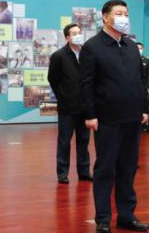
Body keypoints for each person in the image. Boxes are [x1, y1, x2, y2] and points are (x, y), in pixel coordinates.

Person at [80, 0, 149, 233]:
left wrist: (144, 108)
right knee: (105, 169)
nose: (124, 17)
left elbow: (141, 82)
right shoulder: (92, 47)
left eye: (126, 13)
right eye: (119, 13)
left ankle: (127, 215)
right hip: (107, 118)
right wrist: (90, 115)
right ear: (106, 18)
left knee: (128, 168)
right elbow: (86, 84)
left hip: (132, 117)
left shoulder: (131, 46)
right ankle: (102, 218)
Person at [48, 23, 92, 184]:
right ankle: (62, 173)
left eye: (79, 32)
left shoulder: (87, 54)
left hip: (85, 107)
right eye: (74, 33)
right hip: (67, 107)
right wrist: (63, 95)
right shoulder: (59, 56)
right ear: (67, 37)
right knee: (64, 141)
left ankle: (84, 171)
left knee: (84, 141)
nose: (78, 35)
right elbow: (52, 79)